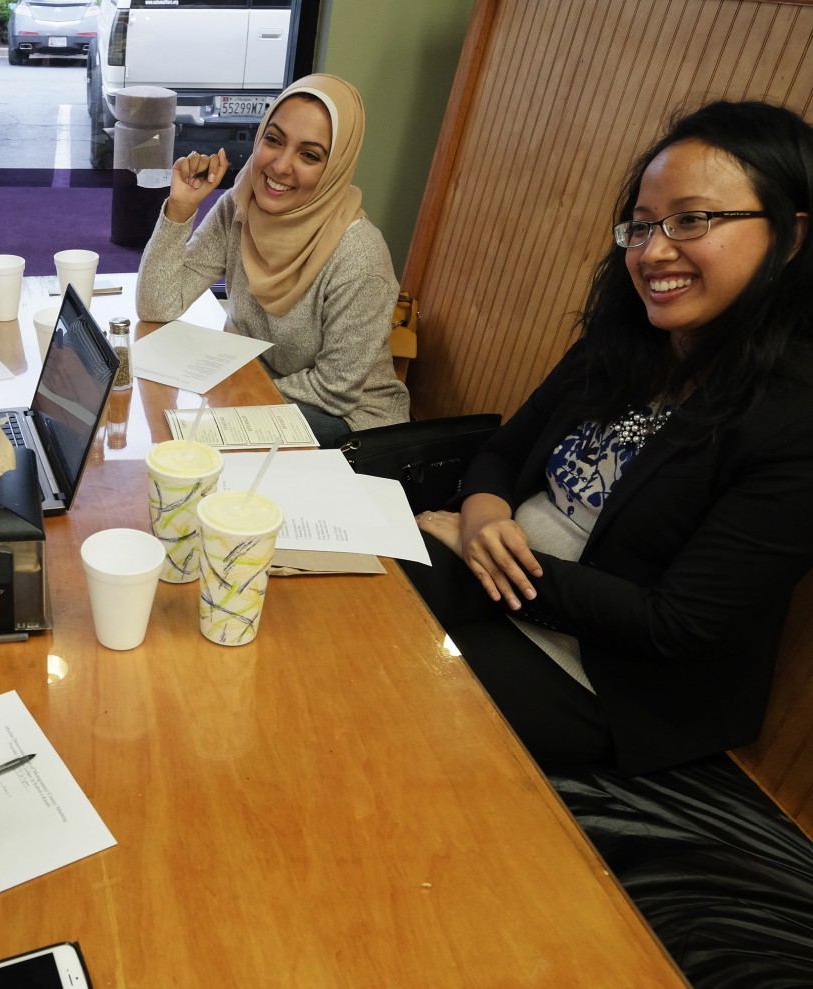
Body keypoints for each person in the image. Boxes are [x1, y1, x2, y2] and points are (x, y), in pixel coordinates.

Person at [406, 100, 813, 777]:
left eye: (692, 219)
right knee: (343, 597)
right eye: (644, 224)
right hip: (501, 577)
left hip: (607, 679)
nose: (654, 251)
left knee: (395, 689)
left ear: (791, 237)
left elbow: (671, 623)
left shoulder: (795, 415)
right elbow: (505, 450)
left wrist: (486, 559)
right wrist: (483, 515)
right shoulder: (629, 342)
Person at [135, 73, 410, 445]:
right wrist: (181, 208)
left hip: (350, 422)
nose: (280, 166)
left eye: (309, 155)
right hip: (262, 390)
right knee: (159, 424)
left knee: (190, 445)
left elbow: (335, 390)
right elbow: (158, 304)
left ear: (336, 168)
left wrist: (232, 394)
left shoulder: (359, 256)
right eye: (274, 140)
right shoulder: (239, 207)